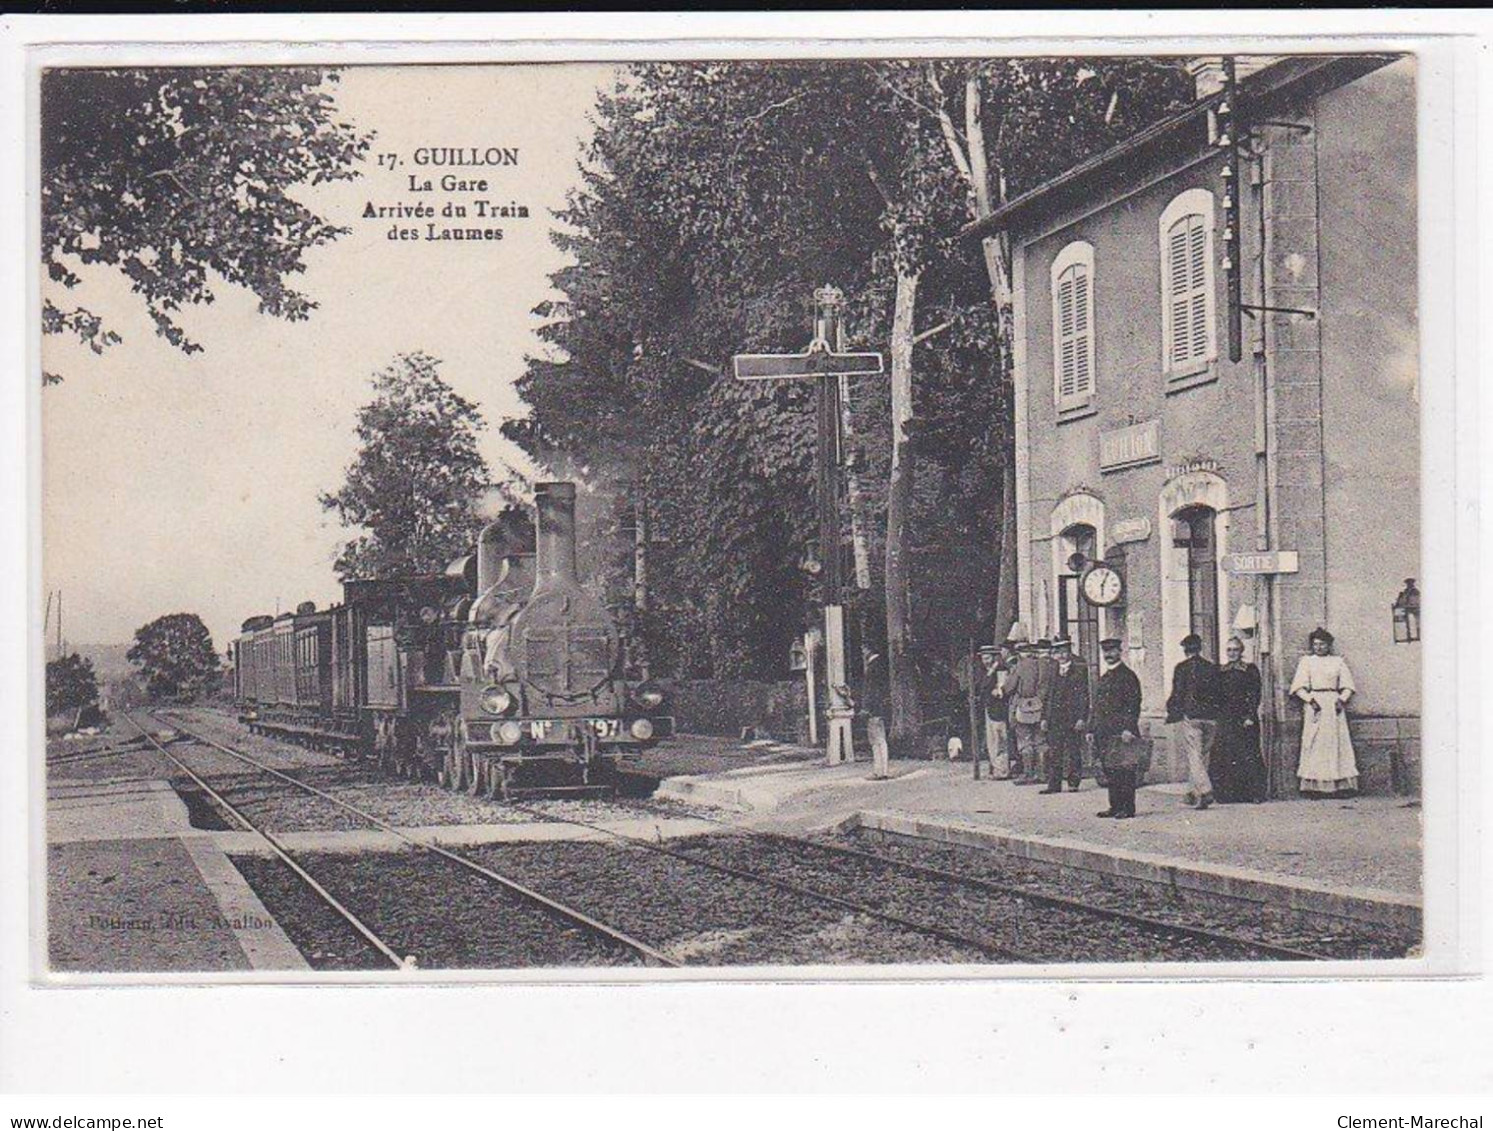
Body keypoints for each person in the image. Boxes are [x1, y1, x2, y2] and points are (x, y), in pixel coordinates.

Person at [1290, 627, 1359, 797]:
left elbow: (1348, 685)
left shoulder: (1338, 662)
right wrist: (1309, 700)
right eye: (1316, 644)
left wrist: (1341, 699)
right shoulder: (1307, 661)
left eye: (1322, 644)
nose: (1319, 647)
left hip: (1334, 705)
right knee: (1315, 744)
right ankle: (1315, 786)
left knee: (1336, 742)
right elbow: (1298, 686)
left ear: (1329, 645)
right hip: (1315, 705)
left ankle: (1341, 785)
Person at [1091, 637, 1143, 819]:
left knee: (1125, 770)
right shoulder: (1105, 677)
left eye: (1112, 651)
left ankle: (1127, 808)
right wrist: (1092, 728)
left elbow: (1133, 704)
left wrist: (1128, 728)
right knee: (1110, 769)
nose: (1108, 655)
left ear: (1120, 652)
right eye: (1106, 652)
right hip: (1104, 731)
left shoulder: (1127, 676)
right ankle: (1114, 806)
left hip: (1122, 732)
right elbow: (1097, 705)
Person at [1166, 633, 1219, 809]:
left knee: (1194, 755)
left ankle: (1204, 790)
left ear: (1185, 650)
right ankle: (1192, 793)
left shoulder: (1181, 668)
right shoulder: (1211, 667)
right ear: (1199, 648)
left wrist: (1172, 711)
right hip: (1211, 718)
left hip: (1192, 716)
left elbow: (1177, 693)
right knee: (1203, 755)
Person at [1214, 636, 1267, 802]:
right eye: (1229, 650)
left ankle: (1254, 794)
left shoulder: (1249, 669)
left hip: (1245, 717)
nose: (1232, 653)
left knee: (1248, 754)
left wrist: (1250, 715)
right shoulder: (1221, 671)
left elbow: (1254, 694)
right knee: (1227, 754)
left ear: (1241, 651)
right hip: (1226, 718)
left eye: (1235, 650)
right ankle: (1228, 795)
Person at [1041, 636, 1090, 793]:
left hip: (1072, 717)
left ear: (1069, 652)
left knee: (1073, 750)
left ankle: (1073, 782)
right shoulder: (1052, 670)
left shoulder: (1079, 670)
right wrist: (1044, 717)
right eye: (1058, 652)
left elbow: (1084, 695)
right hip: (1055, 718)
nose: (1061, 655)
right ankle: (1054, 785)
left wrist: (1082, 717)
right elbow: (1047, 696)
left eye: (1064, 651)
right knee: (1055, 751)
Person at [1005, 641, 1051, 784]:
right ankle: (1042, 774)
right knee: (1040, 741)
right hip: (1041, 706)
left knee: (1025, 741)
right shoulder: (1044, 664)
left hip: (1023, 706)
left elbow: (1009, 688)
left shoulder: (1020, 666)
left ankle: (1028, 774)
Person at [979, 646, 1011, 779]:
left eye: (987, 658)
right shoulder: (988, 671)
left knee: (999, 740)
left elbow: (1001, 690)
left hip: (998, 710)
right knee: (993, 741)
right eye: (982, 658)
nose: (984, 661)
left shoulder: (1000, 671)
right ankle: (997, 769)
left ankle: (1002, 771)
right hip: (990, 709)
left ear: (994, 657)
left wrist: (997, 691)